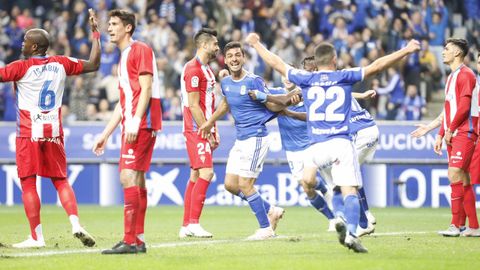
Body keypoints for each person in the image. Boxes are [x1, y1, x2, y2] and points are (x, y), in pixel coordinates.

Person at [246, 32, 420, 252]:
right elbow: (377, 66)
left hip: (316, 146)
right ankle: (352, 234)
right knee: (348, 190)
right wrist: (405, 50)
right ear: (334, 60)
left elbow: (277, 63)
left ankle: (336, 216)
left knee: (310, 183)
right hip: (340, 143)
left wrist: (256, 45)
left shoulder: (306, 79)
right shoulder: (344, 76)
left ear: (316, 63)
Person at [0, 9, 100, 249]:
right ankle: (76, 224)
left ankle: (36, 237)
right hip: (53, 131)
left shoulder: (20, 67)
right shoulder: (61, 63)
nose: (22, 44)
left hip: (28, 132)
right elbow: (94, 64)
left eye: (25, 41)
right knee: (60, 180)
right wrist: (95, 33)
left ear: (35, 47)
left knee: (27, 182)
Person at [198, 41, 287, 240]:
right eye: (230, 56)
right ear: (226, 60)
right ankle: (271, 210)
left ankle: (265, 229)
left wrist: (284, 105)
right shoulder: (227, 83)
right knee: (230, 185)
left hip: (256, 137)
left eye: (238, 55)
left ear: (243, 58)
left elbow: (271, 103)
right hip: (241, 139)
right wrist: (209, 122)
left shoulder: (254, 81)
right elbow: (226, 104)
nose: (234, 59)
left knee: (245, 185)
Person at [93, 9, 162, 254]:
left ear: (128, 28)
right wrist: (106, 133)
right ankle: (138, 240)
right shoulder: (123, 58)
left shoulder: (139, 49)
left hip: (140, 124)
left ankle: (130, 240)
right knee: (138, 179)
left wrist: (134, 121)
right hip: (135, 122)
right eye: (108, 24)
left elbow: (146, 88)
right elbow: (123, 103)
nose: (109, 28)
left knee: (127, 177)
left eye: (114, 24)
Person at [411, 50, 480, 237]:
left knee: (455, 174)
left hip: (465, 132)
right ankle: (473, 226)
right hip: (455, 131)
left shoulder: (466, 75)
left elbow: (465, 108)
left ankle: (455, 225)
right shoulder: (452, 77)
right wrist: (440, 132)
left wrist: (449, 130)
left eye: (447, 48)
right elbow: (449, 110)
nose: (443, 52)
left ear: (457, 52)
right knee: (464, 178)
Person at [178, 28, 220, 239]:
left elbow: (208, 104)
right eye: (214, 44)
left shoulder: (206, 70)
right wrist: (207, 131)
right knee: (207, 173)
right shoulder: (193, 69)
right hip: (196, 129)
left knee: (195, 174)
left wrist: (214, 128)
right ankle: (194, 223)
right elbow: (194, 106)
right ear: (204, 45)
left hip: (203, 127)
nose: (217, 47)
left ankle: (186, 225)